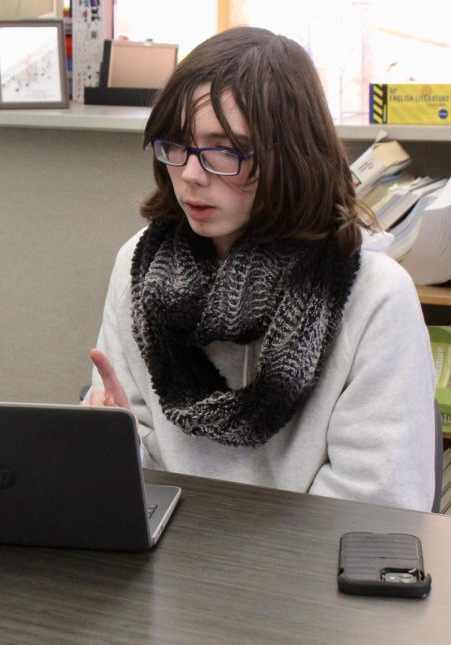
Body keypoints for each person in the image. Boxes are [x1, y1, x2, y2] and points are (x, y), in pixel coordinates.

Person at [83, 27, 436, 511]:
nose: (190, 173)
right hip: (166, 564)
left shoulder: (375, 297)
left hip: (304, 578)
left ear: (291, 156)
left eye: (225, 149)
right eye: (177, 144)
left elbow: (379, 509)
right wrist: (107, 448)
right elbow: (137, 480)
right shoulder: (139, 267)